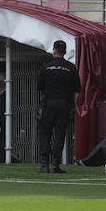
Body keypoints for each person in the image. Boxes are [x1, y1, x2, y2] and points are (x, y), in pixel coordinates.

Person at [36, 40, 79, 174]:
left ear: (54, 50)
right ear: (64, 52)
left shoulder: (46, 67)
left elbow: (39, 86)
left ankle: (44, 164)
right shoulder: (71, 68)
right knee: (60, 134)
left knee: (45, 133)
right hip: (64, 104)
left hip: (48, 104)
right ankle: (55, 164)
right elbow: (78, 88)